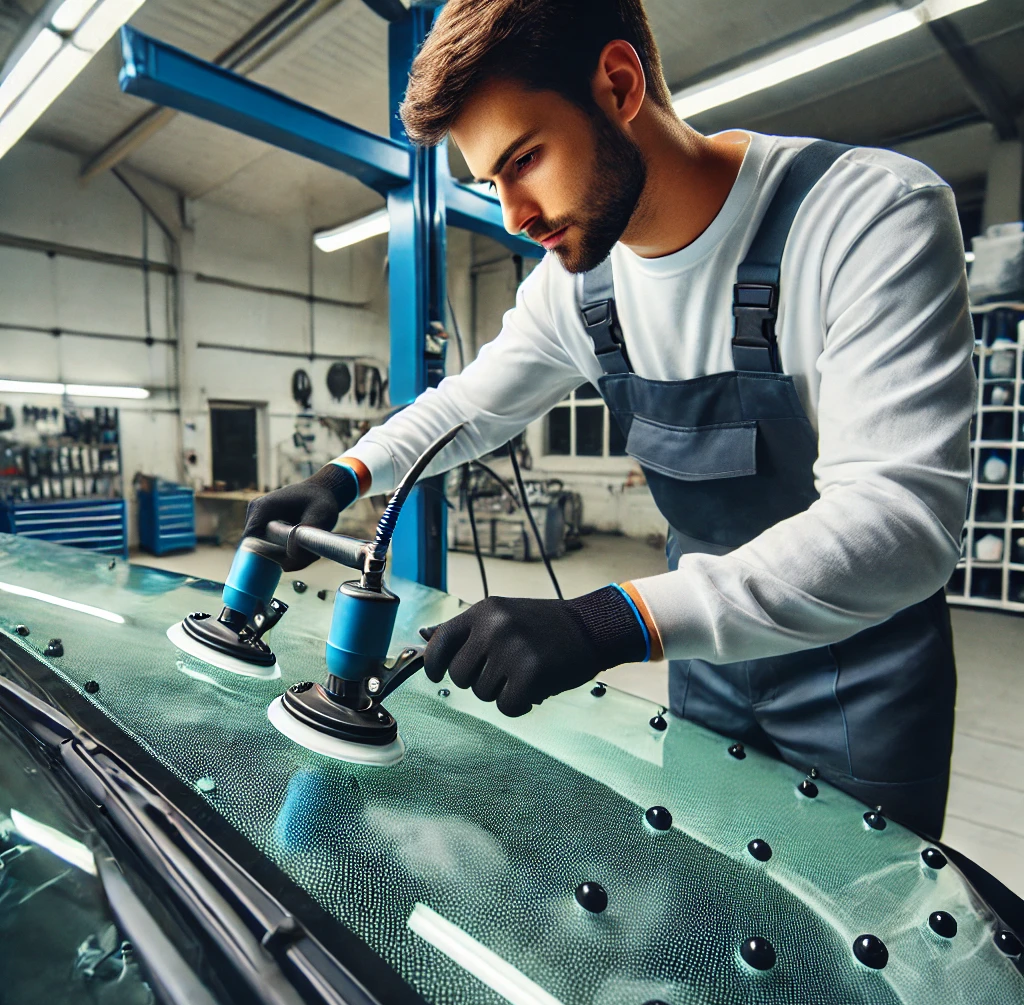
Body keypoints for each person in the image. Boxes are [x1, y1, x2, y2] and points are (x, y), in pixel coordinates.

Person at [242, 0, 975, 837]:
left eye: (525, 159)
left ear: (619, 84)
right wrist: (343, 477)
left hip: (863, 676)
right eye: (492, 183)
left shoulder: (866, 217)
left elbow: (902, 520)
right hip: (705, 656)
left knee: (858, 948)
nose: (514, 214)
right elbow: (468, 406)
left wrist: (608, 620)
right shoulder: (578, 289)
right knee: (711, 886)